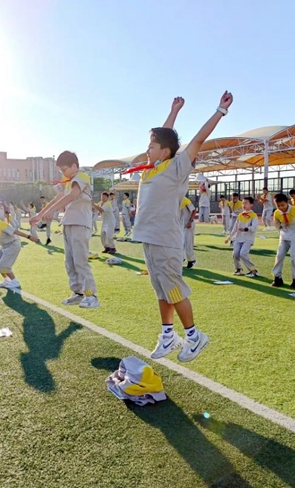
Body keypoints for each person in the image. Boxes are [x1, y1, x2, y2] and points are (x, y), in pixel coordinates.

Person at [125, 92, 233, 363]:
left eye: (152, 146)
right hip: (149, 239)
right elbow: (164, 136)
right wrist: (173, 111)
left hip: (166, 240)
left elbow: (197, 140)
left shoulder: (177, 168)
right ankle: (167, 335)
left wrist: (220, 110)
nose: (148, 149)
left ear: (165, 151)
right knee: (161, 291)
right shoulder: (151, 169)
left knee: (173, 289)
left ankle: (195, 337)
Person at [31, 151, 100, 308]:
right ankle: (78, 293)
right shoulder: (68, 181)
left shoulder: (82, 177)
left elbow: (72, 196)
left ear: (74, 166)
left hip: (80, 223)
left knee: (80, 260)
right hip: (69, 223)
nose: (62, 173)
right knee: (69, 261)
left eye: (64, 169)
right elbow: (57, 198)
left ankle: (91, 295)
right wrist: (40, 214)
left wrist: (51, 211)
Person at [0, 207, 38, 289]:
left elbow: (15, 231)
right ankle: (7, 280)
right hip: (4, 246)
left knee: (4, 265)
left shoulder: (1, 224)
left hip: (12, 245)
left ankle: (15, 281)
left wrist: (29, 237)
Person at [226, 197, 259, 277]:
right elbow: (235, 228)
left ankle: (253, 270)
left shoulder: (253, 215)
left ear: (251, 205)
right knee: (235, 254)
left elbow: (254, 228)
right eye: (243, 203)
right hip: (238, 238)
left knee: (243, 253)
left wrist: (246, 229)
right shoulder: (240, 215)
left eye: (246, 203)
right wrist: (229, 237)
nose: (244, 205)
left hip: (248, 239)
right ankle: (238, 269)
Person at [180, 195, 197, 269]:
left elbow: (194, 211)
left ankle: (191, 260)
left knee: (188, 243)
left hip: (188, 225)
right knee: (179, 243)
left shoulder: (185, 200)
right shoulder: (173, 200)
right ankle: (181, 258)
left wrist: (190, 222)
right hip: (181, 226)